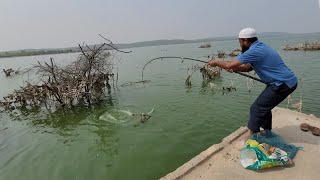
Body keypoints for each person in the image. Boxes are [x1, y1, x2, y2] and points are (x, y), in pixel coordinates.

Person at [208, 27, 298, 139]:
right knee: (264, 107)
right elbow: (249, 67)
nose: (240, 45)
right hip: (286, 81)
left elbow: (228, 64)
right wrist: (237, 69)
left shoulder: (254, 51)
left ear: (245, 41)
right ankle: (266, 132)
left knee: (256, 108)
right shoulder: (261, 47)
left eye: (240, 42)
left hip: (282, 84)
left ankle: (253, 137)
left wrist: (216, 62)